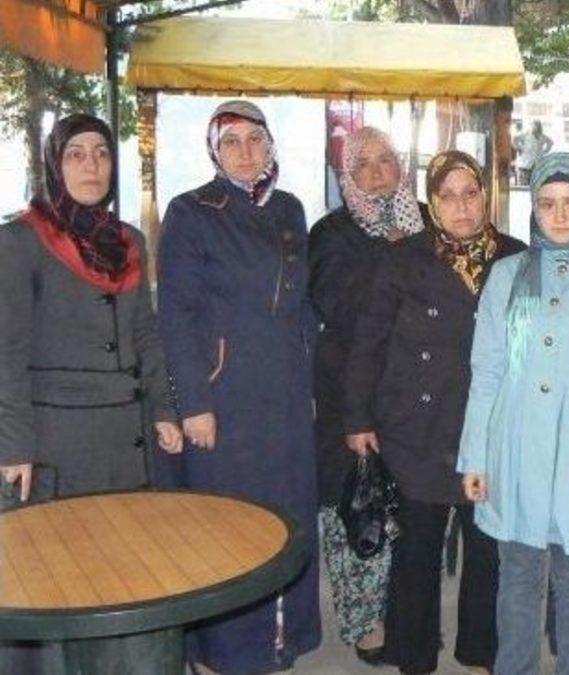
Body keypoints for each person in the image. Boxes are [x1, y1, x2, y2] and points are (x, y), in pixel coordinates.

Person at [0, 113, 182, 675]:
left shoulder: (129, 242)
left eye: (101, 153)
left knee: (125, 575)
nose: (91, 166)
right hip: (56, 445)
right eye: (76, 154)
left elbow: (146, 333)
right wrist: (13, 446)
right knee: (59, 581)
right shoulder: (20, 241)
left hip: (125, 443)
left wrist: (164, 408)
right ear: (55, 165)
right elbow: (6, 352)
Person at [342, 150, 524, 674]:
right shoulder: (403, 258)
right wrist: (358, 419)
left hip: (488, 427)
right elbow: (368, 343)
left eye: (471, 194)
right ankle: (414, 657)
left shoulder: (515, 257)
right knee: (416, 550)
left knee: (487, 549)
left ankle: (481, 654)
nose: (461, 207)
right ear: (432, 203)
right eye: (448, 196)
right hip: (416, 427)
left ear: (486, 196)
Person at [157, 100, 321, 674]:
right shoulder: (191, 211)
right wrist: (193, 403)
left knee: (287, 517)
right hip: (225, 398)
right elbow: (175, 315)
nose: (246, 152)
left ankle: (280, 638)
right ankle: (222, 653)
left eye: (256, 139)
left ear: (271, 145)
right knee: (227, 525)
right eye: (232, 141)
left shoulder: (290, 208)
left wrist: (310, 377)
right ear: (214, 150)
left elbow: (302, 304)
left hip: (287, 396)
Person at [458, 152, 569, 675]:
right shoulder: (508, 274)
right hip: (516, 445)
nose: (561, 215)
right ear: (534, 209)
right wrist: (475, 457)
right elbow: (487, 370)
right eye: (548, 204)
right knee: (518, 575)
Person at [308, 126, 427, 665]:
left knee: (411, 510)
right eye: (364, 165)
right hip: (351, 389)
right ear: (347, 176)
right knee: (358, 504)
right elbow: (337, 305)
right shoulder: (332, 232)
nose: (378, 174)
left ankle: (405, 614)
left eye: (386, 161)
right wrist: (392, 255)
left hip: (414, 389)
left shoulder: (424, 218)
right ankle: (365, 621)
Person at [514, 120, 554, 185]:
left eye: (538, 126)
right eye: (535, 126)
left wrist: (545, 151)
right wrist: (519, 148)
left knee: (536, 184)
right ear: (532, 127)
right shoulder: (526, 134)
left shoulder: (542, 136)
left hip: (537, 164)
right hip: (525, 164)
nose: (536, 128)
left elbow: (551, 142)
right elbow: (515, 139)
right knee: (524, 185)